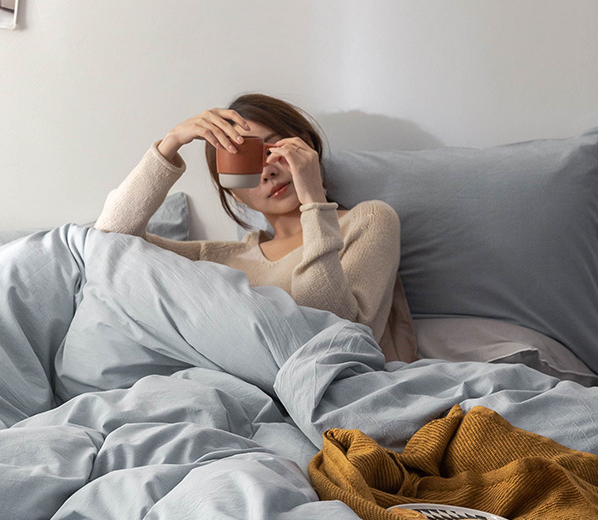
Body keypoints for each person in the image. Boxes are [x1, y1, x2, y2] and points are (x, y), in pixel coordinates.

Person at [94, 93, 417, 362]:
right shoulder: (220, 258)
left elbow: (332, 332)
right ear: (233, 190)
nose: (266, 172)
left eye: (274, 149)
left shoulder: (369, 220)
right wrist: (172, 143)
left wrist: (314, 203)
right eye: (245, 161)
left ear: (306, 145)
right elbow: (109, 243)